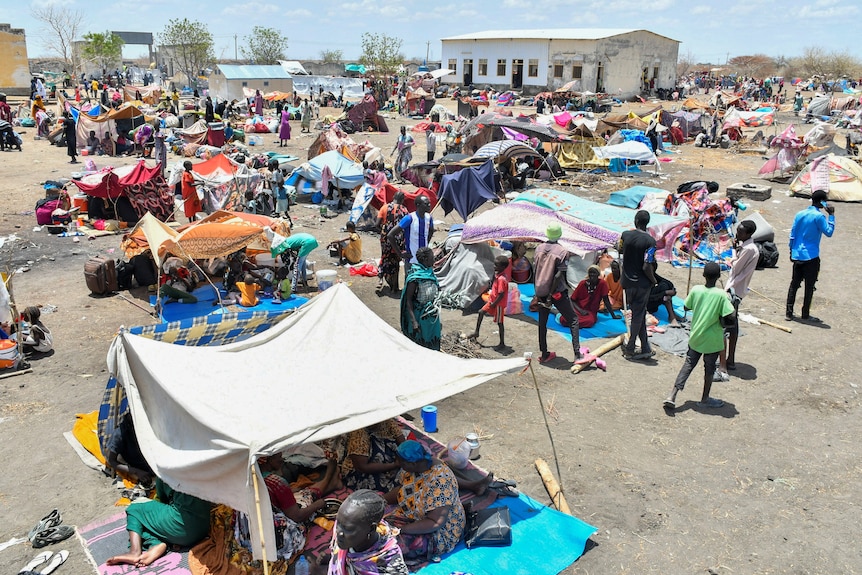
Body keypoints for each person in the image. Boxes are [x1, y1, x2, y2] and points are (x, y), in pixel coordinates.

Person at [663, 263, 736, 411]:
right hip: (713, 340)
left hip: (696, 336)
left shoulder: (696, 290)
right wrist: (733, 301)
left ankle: (672, 395)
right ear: (718, 277)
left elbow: (685, 307)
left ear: (703, 275)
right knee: (709, 369)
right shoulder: (721, 295)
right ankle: (705, 399)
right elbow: (731, 315)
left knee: (688, 365)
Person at [383, 441, 465, 560]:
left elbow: (436, 522)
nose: (399, 465)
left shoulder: (440, 480)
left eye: (402, 463)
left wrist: (402, 530)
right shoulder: (412, 469)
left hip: (439, 531)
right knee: (381, 528)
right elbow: (402, 489)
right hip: (412, 516)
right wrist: (381, 500)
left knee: (393, 546)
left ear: (413, 463)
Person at [106, 478, 214, 567]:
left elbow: (162, 499)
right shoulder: (199, 467)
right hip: (203, 528)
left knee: (135, 508)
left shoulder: (164, 471)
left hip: (181, 531)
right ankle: (158, 544)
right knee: (148, 519)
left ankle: (135, 551)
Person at [533, 222, 583, 364]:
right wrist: (550, 296)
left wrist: (538, 292)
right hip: (556, 293)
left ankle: (544, 354)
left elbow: (536, 270)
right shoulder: (562, 252)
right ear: (560, 235)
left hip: (540, 290)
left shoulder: (538, 249)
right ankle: (577, 354)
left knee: (542, 322)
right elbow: (557, 276)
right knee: (573, 319)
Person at [329, 490, 409, 575]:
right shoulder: (345, 527)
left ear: (371, 529)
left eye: (348, 529)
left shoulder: (389, 565)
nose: (339, 532)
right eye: (339, 522)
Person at [786, 189, 835, 323]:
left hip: (797, 255)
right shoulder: (819, 217)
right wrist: (831, 215)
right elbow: (829, 232)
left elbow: (793, 234)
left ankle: (789, 313)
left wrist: (791, 251)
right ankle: (805, 313)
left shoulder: (800, 214)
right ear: (821, 202)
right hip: (811, 256)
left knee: (794, 285)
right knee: (809, 286)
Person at [619, 210, 658, 360]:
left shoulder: (625, 235)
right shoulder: (650, 242)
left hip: (627, 283)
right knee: (637, 315)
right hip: (642, 284)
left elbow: (620, 249)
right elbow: (647, 265)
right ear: (647, 223)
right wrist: (653, 280)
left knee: (639, 313)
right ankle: (630, 348)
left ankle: (645, 347)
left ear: (635, 221)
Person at [721, 220, 759, 372]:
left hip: (734, 289)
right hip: (737, 288)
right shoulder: (747, 247)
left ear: (748, 234)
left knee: (726, 325)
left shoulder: (749, 249)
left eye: (741, 232)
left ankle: (725, 362)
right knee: (733, 323)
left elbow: (736, 268)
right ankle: (730, 359)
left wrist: (733, 253)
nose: (738, 234)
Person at [338, 419, 405, 492]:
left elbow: (403, 443)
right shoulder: (358, 432)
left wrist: (403, 457)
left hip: (391, 461)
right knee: (398, 487)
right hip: (362, 472)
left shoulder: (387, 421)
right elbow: (362, 467)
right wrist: (394, 465)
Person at [400, 247, 441, 350]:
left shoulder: (429, 272)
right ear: (426, 260)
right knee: (420, 347)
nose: (434, 260)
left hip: (432, 314)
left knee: (433, 343)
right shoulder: (415, 278)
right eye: (432, 258)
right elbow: (408, 300)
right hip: (419, 317)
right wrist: (414, 321)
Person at [470, 255, 511, 350]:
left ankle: (502, 343)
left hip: (498, 304)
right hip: (492, 301)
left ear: (503, 267)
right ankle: (476, 332)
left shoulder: (501, 279)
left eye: (497, 265)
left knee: (500, 323)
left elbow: (501, 294)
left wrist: (494, 304)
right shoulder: (498, 276)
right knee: (481, 312)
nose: (494, 267)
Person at [387, 194, 433, 278]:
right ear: (418, 205)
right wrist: (399, 253)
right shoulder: (409, 218)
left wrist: (425, 245)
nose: (429, 205)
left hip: (425, 260)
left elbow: (431, 231)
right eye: (426, 204)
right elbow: (390, 235)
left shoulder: (429, 218)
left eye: (429, 203)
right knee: (410, 284)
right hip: (412, 260)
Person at [106, 412, 153, 485]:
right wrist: (135, 471)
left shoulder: (148, 426)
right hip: (136, 465)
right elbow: (111, 461)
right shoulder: (120, 434)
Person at [376, 191, 409, 294]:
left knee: (386, 259)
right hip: (398, 240)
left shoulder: (384, 208)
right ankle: (395, 287)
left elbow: (377, 224)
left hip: (386, 239)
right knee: (396, 262)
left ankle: (383, 278)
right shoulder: (404, 210)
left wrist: (384, 231)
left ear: (393, 196)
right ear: (403, 200)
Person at [646, 262, 683, 328]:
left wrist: (672, 290)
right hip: (644, 304)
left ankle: (672, 316)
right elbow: (645, 297)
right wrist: (664, 293)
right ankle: (672, 317)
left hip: (653, 299)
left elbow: (664, 281)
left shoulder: (650, 274)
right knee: (665, 292)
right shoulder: (640, 278)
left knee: (666, 285)